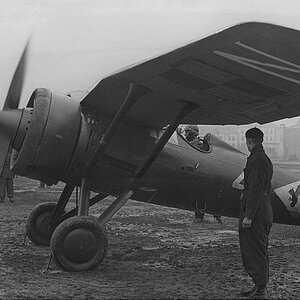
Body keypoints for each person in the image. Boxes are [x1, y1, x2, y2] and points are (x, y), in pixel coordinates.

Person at [239, 127, 273, 299]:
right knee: (259, 247)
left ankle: (261, 290)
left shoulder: (257, 159)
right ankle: (259, 286)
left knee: (254, 248)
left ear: (249, 141)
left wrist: (249, 215)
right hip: (262, 207)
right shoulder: (262, 158)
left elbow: (256, 188)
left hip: (257, 211)